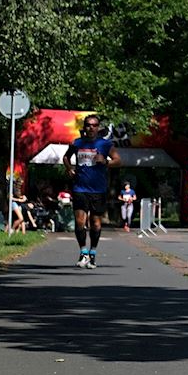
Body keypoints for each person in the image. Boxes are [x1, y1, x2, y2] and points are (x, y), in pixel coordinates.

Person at [63, 115, 119, 268]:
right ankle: (83, 252)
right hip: (80, 188)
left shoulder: (105, 144)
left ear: (98, 127)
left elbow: (118, 160)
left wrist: (106, 161)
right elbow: (66, 157)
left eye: (94, 125)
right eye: (88, 125)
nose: (91, 128)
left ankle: (93, 253)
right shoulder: (77, 143)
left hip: (98, 190)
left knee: (95, 223)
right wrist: (69, 169)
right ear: (84, 127)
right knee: (80, 221)